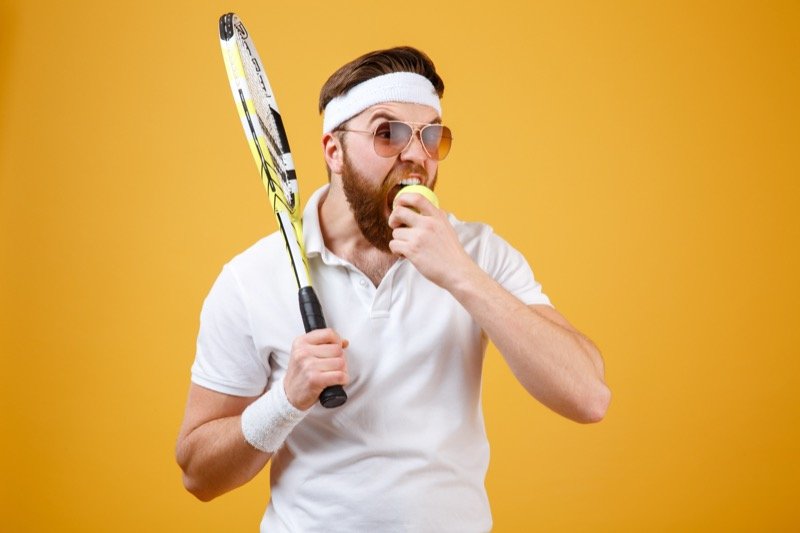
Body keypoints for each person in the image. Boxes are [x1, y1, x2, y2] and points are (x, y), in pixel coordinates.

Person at [176, 46, 610, 532]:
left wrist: (460, 274)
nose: (415, 156)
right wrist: (285, 402)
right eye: (388, 134)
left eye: (430, 137)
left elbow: (589, 397)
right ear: (333, 151)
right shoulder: (251, 277)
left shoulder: (478, 254)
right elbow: (198, 473)